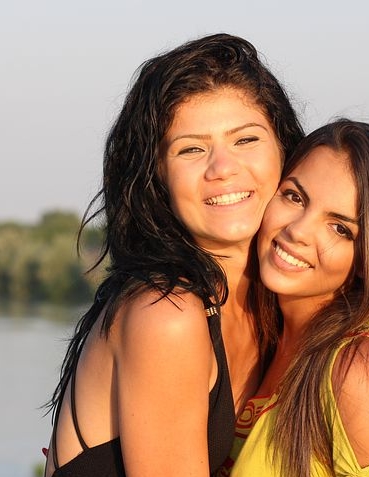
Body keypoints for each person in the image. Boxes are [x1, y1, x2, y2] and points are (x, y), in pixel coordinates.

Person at [43, 33, 304, 477]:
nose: (223, 168)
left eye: (245, 140)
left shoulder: (275, 309)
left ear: (284, 150)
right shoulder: (166, 314)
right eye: (192, 149)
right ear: (157, 177)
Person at [221, 119, 369, 477]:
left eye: (340, 228)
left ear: (368, 260)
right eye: (294, 197)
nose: (298, 231)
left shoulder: (358, 368)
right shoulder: (264, 338)